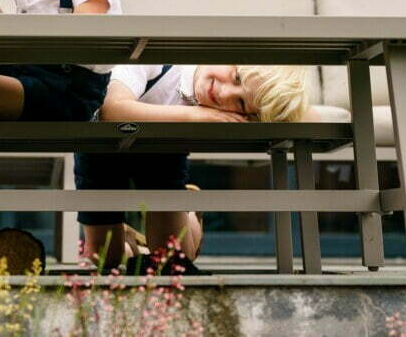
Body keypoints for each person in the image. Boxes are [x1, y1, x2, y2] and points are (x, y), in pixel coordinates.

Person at [76, 64, 317, 273]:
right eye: (237, 78)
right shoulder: (161, 63)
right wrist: (193, 115)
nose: (224, 93)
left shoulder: (217, 108)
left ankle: (189, 213)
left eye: (240, 103)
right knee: (103, 259)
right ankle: (130, 246)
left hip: (161, 156)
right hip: (102, 149)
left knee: (171, 261)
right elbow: (111, 111)